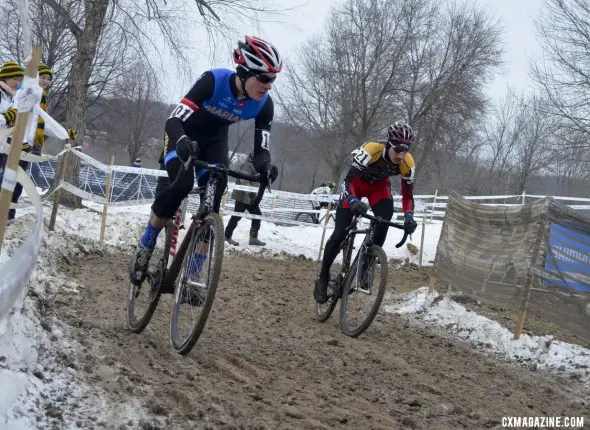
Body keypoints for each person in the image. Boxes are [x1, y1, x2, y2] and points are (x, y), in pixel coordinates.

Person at [130, 36, 281, 300]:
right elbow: (174, 119)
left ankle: (193, 275)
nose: (268, 85)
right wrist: (182, 141)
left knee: (213, 201)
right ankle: (147, 241)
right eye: (264, 78)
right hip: (182, 135)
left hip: (214, 142)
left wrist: (266, 166)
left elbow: (261, 151)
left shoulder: (264, 105)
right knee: (182, 184)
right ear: (244, 71)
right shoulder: (213, 81)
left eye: (273, 79)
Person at [313, 122, 419, 304]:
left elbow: (408, 195)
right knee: (340, 233)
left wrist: (409, 215)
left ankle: (365, 265)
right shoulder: (371, 150)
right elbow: (348, 182)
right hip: (356, 186)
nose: (401, 155)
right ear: (389, 144)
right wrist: (352, 200)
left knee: (384, 221)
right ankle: (323, 277)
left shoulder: (407, 163)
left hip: (378, 189)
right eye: (398, 150)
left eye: (406, 150)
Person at [7, 63, 75, 220]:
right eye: (42, 77)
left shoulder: (41, 99)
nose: (45, 81)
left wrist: (65, 134)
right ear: (35, 77)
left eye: (48, 79)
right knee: (6, 181)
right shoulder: (24, 93)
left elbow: (43, 125)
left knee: (17, 184)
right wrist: (20, 141)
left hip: (25, 148)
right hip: (13, 144)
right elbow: (18, 117)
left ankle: (8, 216)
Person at [224, 153, 276, 246]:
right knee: (236, 217)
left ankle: (253, 238)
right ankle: (227, 236)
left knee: (257, 215)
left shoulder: (258, 166)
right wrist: (252, 194)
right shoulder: (247, 165)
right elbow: (244, 180)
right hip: (243, 196)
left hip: (251, 197)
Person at [0, 61, 23, 220]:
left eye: (19, 79)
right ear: (5, 77)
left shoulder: (11, 97)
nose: (17, 82)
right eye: (15, 78)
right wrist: (7, 117)